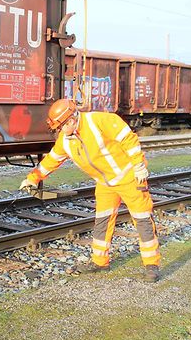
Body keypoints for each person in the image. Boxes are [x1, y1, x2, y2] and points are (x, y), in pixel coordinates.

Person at [19, 99, 161, 282]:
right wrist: (32, 178)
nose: (59, 131)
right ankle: (100, 262)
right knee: (102, 221)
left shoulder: (100, 121)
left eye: (61, 127)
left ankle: (152, 266)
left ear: (70, 120)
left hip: (130, 179)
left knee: (142, 221)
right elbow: (51, 160)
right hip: (105, 183)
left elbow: (128, 139)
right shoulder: (66, 140)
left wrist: (139, 165)